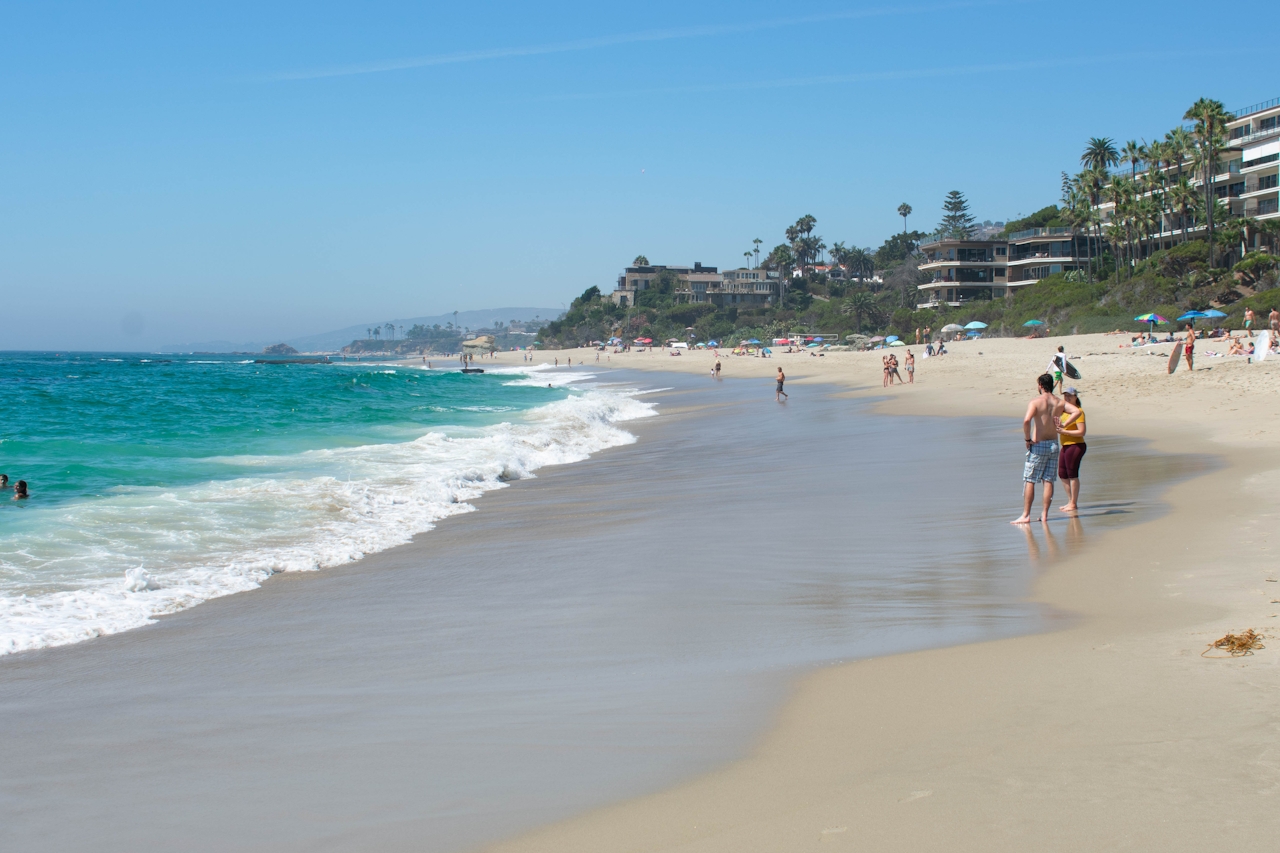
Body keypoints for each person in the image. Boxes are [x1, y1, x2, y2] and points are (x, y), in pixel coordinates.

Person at [1012, 373, 1061, 525]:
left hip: (1039, 444)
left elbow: (1026, 421)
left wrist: (1027, 439)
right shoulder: (1059, 402)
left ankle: (1026, 515)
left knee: (1030, 480)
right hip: (1053, 443)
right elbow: (1077, 411)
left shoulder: (1035, 402)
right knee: (1048, 481)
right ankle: (1045, 515)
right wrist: (1063, 425)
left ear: (1040, 385)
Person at [1056, 387, 1087, 513]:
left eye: (1070, 396)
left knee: (1072, 474)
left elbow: (1082, 432)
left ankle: (1073, 503)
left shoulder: (1079, 412)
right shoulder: (1064, 411)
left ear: (1076, 397)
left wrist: (1064, 431)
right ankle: (1070, 501)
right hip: (1065, 445)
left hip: (1076, 445)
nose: (1067, 398)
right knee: (1062, 474)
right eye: (1065, 396)